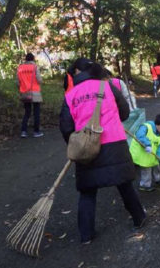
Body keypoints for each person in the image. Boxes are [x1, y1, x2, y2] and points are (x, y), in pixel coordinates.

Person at [60, 58, 147, 244]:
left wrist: (78, 144)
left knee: (88, 191)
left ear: (76, 73)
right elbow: (125, 113)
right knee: (124, 185)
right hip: (115, 143)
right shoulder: (107, 87)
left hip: (87, 148)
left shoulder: (70, 95)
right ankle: (139, 218)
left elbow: (66, 127)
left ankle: (86, 235)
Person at [129, 114, 160, 192]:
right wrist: (147, 144)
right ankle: (144, 185)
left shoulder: (159, 134)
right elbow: (140, 135)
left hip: (151, 154)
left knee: (157, 167)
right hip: (142, 155)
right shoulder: (146, 127)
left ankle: (157, 179)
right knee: (146, 170)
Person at [17, 53, 43, 138]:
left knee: (27, 112)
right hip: (35, 92)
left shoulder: (20, 68)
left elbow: (17, 82)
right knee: (36, 112)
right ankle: (36, 132)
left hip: (25, 92)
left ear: (26, 59)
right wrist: (41, 81)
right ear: (33, 59)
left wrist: (21, 89)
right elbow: (39, 80)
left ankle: (23, 131)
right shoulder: (35, 67)